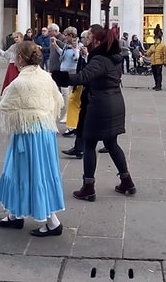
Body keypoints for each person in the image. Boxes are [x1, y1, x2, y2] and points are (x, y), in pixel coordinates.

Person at [0, 40, 66, 237]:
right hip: (44, 132)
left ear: (20, 59)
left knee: (31, 173)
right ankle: (15, 215)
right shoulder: (45, 76)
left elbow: (1, 112)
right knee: (30, 172)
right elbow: (58, 99)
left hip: (28, 135)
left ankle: (52, 222)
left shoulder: (18, 83)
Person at [51, 28, 136, 202]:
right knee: (112, 143)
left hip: (100, 105)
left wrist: (59, 77)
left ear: (98, 41)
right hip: (115, 101)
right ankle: (127, 181)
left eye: (91, 37)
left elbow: (84, 76)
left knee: (89, 144)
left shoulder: (100, 59)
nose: (88, 39)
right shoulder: (113, 58)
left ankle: (88, 187)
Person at [61, 25, 109, 157]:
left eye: (87, 36)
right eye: (84, 37)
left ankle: (109, 143)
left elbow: (94, 69)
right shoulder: (86, 48)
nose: (84, 39)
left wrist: (86, 55)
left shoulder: (99, 50)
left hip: (95, 90)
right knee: (83, 119)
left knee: (98, 119)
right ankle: (79, 147)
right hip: (86, 87)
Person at [54, 27, 80, 124]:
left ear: (70, 35)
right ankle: (67, 113)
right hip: (63, 70)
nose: (64, 37)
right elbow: (63, 54)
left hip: (72, 71)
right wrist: (55, 46)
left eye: (66, 35)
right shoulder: (66, 46)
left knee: (71, 94)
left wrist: (75, 49)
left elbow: (76, 58)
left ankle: (70, 114)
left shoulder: (78, 45)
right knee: (65, 94)